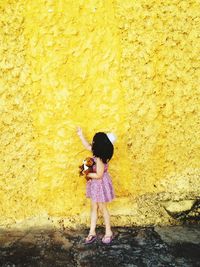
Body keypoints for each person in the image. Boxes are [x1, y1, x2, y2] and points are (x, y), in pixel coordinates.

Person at [77, 127, 116, 244]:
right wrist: (81, 135)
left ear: (99, 146)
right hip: (95, 186)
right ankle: (92, 232)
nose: (92, 143)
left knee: (102, 208)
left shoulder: (99, 159)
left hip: (99, 185)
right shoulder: (97, 152)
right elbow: (87, 146)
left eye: (94, 142)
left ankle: (108, 232)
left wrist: (86, 173)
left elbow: (99, 175)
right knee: (94, 207)